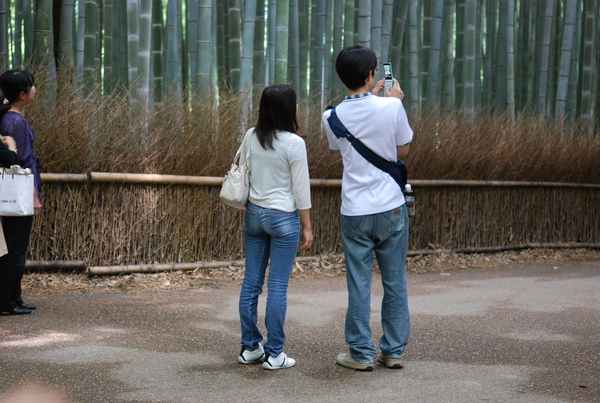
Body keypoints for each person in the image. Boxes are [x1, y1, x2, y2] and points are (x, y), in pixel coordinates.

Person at [322, 46, 413, 371]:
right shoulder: (392, 106)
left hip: (355, 210)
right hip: (390, 206)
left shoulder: (330, 117)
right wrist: (394, 101)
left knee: (359, 282)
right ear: (373, 75)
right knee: (395, 280)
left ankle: (360, 353)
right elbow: (400, 151)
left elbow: (342, 146)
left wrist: (376, 101)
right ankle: (393, 351)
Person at [237, 84, 313, 370]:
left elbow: (245, 171)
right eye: (295, 104)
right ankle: (274, 353)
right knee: (277, 287)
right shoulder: (294, 143)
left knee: (251, 284)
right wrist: (307, 227)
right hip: (283, 218)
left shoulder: (250, 136)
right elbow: (301, 190)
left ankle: (249, 348)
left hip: (254, 215)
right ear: (288, 109)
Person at [0, 70, 42, 315]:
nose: (35, 90)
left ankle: (14, 297)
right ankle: (8, 302)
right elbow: (22, 163)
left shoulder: (8, 117)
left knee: (13, 246)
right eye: (32, 86)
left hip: (15, 190)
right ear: (23, 94)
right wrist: (33, 197)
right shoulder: (15, 121)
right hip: (20, 191)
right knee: (15, 248)